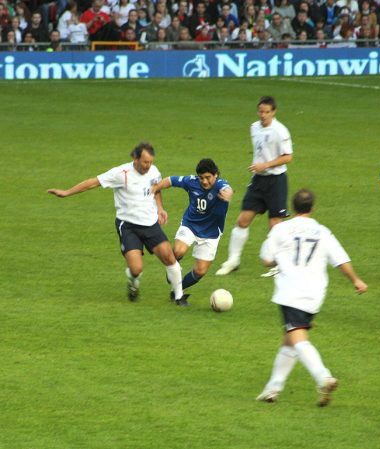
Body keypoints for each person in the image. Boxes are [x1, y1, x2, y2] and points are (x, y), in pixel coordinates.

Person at [256, 189, 368, 405]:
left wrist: (279, 260)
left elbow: (266, 259)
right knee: (289, 339)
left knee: (297, 338)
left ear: (293, 207)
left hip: (291, 292)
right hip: (315, 294)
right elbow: (340, 260)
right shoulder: (322, 231)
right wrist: (356, 280)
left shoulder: (281, 229)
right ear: (312, 208)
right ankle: (273, 388)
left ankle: (323, 377)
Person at [47, 142, 186, 305]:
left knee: (169, 258)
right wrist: (66, 192)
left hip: (150, 224)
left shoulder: (154, 171)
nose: (148, 166)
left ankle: (179, 297)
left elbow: (157, 189)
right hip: (128, 227)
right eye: (145, 162)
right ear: (135, 158)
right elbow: (93, 182)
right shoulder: (121, 173)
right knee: (136, 269)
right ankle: (133, 282)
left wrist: (160, 209)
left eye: (150, 162)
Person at [216, 96, 293, 278]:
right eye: (261, 111)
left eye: (267, 112)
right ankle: (233, 260)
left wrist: (265, 165)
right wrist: (260, 167)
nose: (263, 115)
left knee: (275, 225)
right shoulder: (254, 127)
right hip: (258, 180)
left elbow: (288, 156)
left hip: (276, 181)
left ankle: (280, 265)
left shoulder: (280, 131)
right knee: (242, 220)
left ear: (273, 112)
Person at [151, 159, 233, 305]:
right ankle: (174, 273)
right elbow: (170, 180)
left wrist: (228, 195)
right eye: (201, 178)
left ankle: (177, 289)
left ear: (216, 175)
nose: (204, 181)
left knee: (200, 271)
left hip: (211, 233)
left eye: (208, 177)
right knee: (178, 251)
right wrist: (155, 188)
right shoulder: (191, 182)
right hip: (190, 225)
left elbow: (228, 190)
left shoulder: (221, 185)